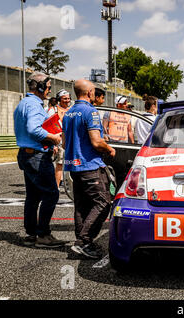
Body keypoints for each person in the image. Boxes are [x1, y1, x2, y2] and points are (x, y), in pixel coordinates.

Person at [62, 79, 116, 259]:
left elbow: (63, 142)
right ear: (90, 92)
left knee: (81, 205)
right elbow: (96, 141)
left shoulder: (68, 113)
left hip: (74, 167)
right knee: (103, 202)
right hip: (90, 165)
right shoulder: (91, 111)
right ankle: (84, 241)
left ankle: (82, 241)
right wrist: (109, 148)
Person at [13, 71, 65, 247]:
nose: (49, 91)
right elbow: (34, 129)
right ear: (41, 87)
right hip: (36, 156)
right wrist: (54, 137)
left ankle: (32, 234)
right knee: (51, 194)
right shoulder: (35, 105)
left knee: (33, 196)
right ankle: (43, 235)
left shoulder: (23, 103)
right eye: (48, 87)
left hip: (27, 154)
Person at [48, 89, 71, 188]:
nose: (67, 100)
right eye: (64, 98)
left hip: (70, 141)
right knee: (60, 164)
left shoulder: (71, 110)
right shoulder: (54, 110)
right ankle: (56, 188)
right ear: (59, 99)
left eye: (68, 98)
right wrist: (53, 144)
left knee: (72, 164)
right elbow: (49, 128)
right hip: (59, 141)